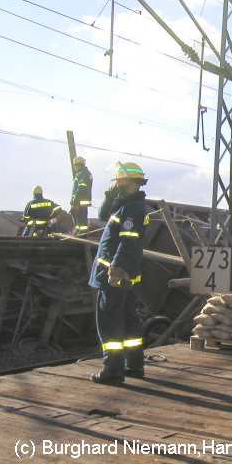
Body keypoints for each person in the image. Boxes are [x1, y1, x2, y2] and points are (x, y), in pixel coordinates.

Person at [89, 162, 149, 384]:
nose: (115, 183)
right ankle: (134, 365)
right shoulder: (126, 205)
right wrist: (110, 195)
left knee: (109, 321)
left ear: (127, 181)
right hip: (123, 274)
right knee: (129, 318)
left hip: (114, 275)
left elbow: (128, 242)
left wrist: (115, 269)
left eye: (118, 180)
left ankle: (112, 371)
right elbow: (103, 214)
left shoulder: (132, 209)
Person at [70, 156, 93, 235]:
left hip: (80, 201)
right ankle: (79, 232)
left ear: (79, 165)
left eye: (75, 165)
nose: (74, 167)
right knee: (79, 217)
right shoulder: (85, 173)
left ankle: (81, 233)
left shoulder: (82, 174)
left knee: (80, 218)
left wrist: (75, 201)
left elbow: (81, 188)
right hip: (82, 200)